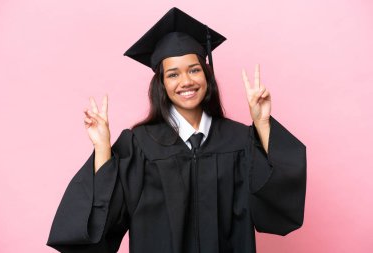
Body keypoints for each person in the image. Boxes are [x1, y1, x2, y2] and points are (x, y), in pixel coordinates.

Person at [47, 7, 306, 253]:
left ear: (206, 75)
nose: (186, 81)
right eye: (173, 74)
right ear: (161, 84)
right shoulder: (139, 145)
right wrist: (103, 149)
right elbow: (105, 221)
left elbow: (278, 207)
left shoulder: (239, 141)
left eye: (194, 70)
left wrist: (262, 123)